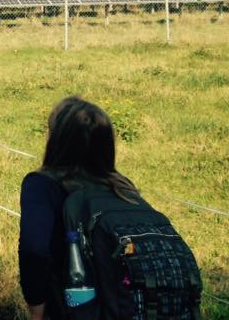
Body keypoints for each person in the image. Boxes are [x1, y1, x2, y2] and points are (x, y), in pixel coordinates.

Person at [18, 97, 200, 320]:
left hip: (74, 308)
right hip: (132, 307)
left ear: (56, 140)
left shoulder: (42, 184)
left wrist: (37, 310)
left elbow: (34, 250)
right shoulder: (122, 186)